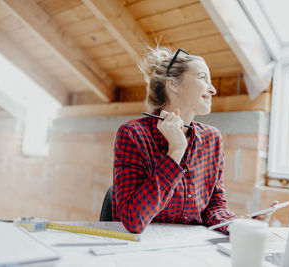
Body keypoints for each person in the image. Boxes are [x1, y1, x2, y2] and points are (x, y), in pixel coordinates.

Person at [112, 46, 277, 234]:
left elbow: (214, 207)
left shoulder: (212, 138)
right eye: (202, 78)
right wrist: (175, 152)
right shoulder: (133, 135)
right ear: (173, 84)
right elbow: (133, 220)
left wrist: (239, 226)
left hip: (189, 250)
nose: (213, 89)